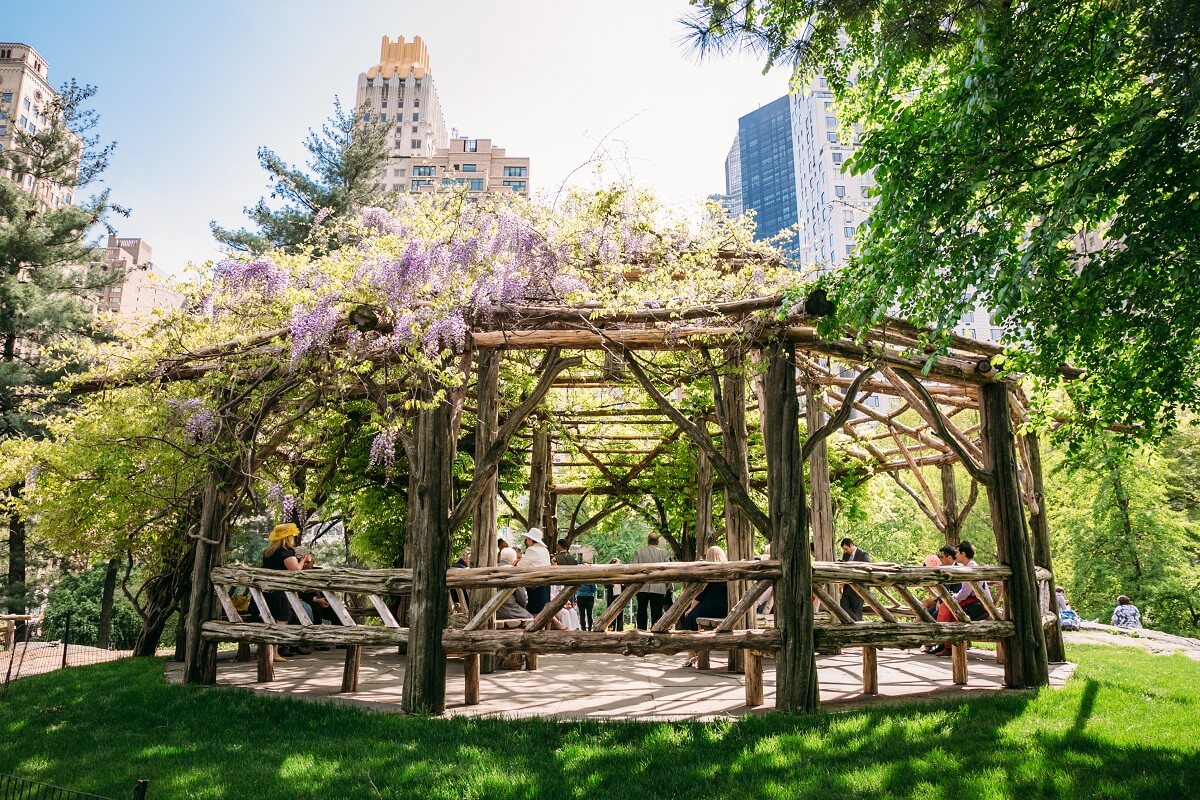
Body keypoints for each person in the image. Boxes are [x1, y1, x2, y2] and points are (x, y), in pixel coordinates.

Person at [929, 540, 992, 656]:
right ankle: (946, 646)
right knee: (950, 611)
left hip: (980, 604)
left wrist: (952, 598)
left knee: (946, 607)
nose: (955, 555)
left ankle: (940, 637)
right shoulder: (968, 566)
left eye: (957, 552)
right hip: (975, 601)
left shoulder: (970, 569)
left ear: (963, 554)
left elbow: (964, 593)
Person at [679, 546, 731, 667]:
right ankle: (695, 654)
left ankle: (691, 654)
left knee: (688, 617)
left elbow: (698, 596)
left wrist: (690, 609)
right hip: (726, 609)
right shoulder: (729, 571)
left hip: (708, 609)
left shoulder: (708, 572)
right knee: (691, 616)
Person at [261, 523, 307, 658]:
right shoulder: (286, 551)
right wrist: (302, 560)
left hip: (266, 589)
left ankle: (267, 652)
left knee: (269, 620)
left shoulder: (268, 552)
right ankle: (274, 652)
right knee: (281, 619)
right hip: (279, 591)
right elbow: (295, 571)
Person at [633, 533, 673, 629]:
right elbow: (668, 570)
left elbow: (634, 569)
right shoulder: (663, 553)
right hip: (658, 587)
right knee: (657, 612)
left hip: (642, 586)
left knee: (641, 610)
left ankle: (641, 630)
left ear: (648, 541)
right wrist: (666, 585)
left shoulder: (639, 552)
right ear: (657, 542)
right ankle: (656, 630)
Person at [520, 528, 552, 614]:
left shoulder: (531, 550)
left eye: (527, 539)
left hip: (535, 583)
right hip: (546, 583)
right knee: (545, 610)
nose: (526, 541)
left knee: (534, 610)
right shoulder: (545, 550)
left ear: (531, 539)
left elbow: (521, 566)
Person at [839, 537, 871, 621]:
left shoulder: (863, 554)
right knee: (842, 606)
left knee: (857, 611)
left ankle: (857, 625)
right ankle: (856, 623)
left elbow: (867, 570)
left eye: (846, 549)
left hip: (859, 589)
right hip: (847, 588)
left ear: (851, 545)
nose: (845, 551)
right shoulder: (845, 555)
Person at [495, 548, 532, 621]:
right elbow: (523, 599)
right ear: (514, 561)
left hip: (491, 612)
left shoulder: (490, 570)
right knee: (532, 619)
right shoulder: (515, 572)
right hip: (511, 612)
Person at [604, 558, 625, 631]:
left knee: (620, 612)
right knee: (611, 612)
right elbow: (605, 585)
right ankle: (611, 628)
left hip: (620, 595)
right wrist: (612, 584)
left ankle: (620, 629)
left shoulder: (623, 574)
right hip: (611, 595)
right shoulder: (608, 574)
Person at [449, 547, 471, 613]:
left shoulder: (451, 569)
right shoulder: (466, 571)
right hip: (465, 610)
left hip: (451, 610)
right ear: (466, 558)